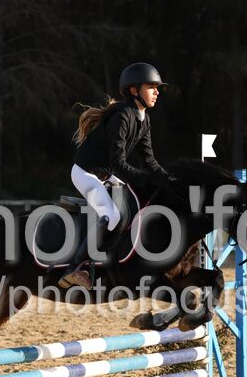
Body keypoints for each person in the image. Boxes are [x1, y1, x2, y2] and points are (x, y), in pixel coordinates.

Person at [58, 62, 175, 289]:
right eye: (151, 87)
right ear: (134, 90)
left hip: (105, 175)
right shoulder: (122, 117)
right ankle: (75, 268)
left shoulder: (144, 119)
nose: (157, 92)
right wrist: (147, 180)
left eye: (157, 88)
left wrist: (169, 180)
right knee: (111, 216)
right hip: (85, 173)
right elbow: (119, 164)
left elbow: (149, 161)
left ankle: (112, 261)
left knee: (133, 208)